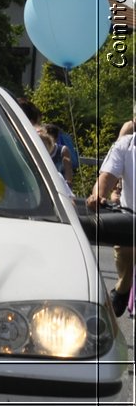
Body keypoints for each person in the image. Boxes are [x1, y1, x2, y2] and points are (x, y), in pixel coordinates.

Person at [88, 124, 136, 315]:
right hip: (130, 220)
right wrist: (98, 195)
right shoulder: (126, 145)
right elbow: (106, 177)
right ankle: (123, 288)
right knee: (127, 249)